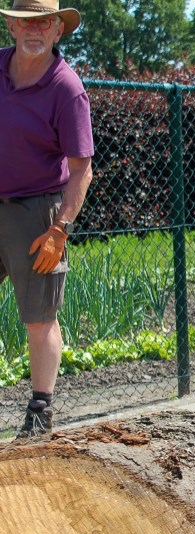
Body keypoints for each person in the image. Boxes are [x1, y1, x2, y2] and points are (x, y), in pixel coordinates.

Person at [0, 0, 93, 437]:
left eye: (44, 21)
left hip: (37, 213)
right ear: (13, 27)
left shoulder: (66, 88)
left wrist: (60, 230)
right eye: (26, 21)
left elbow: (81, 169)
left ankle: (40, 416)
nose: (34, 29)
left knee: (39, 318)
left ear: (58, 30)